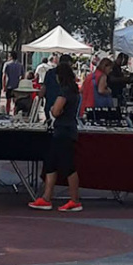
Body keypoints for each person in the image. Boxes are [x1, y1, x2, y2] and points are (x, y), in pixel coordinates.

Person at [29, 62, 82, 213]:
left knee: (68, 166)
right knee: (51, 164)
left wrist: (52, 108)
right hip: (66, 129)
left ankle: (74, 200)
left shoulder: (64, 92)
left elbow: (56, 110)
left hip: (63, 131)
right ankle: (46, 197)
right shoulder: (74, 91)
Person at [42, 54, 71, 120]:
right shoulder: (69, 75)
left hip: (49, 105)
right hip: (64, 109)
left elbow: (43, 89)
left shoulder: (49, 73)